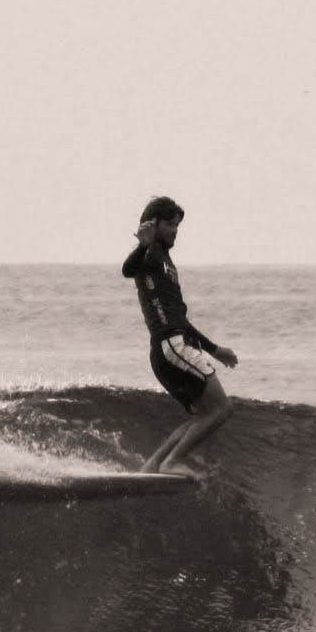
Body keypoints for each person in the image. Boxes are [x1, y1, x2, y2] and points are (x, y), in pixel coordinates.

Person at [121, 196, 238, 478]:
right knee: (221, 408)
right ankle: (172, 461)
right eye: (170, 225)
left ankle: (153, 466)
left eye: (177, 225)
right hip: (172, 347)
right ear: (153, 225)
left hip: (167, 349)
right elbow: (128, 269)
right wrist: (143, 244)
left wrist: (213, 349)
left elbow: (179, 319)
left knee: (203, 414)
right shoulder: (150, 257)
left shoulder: (164, 261)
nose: (175, 230)